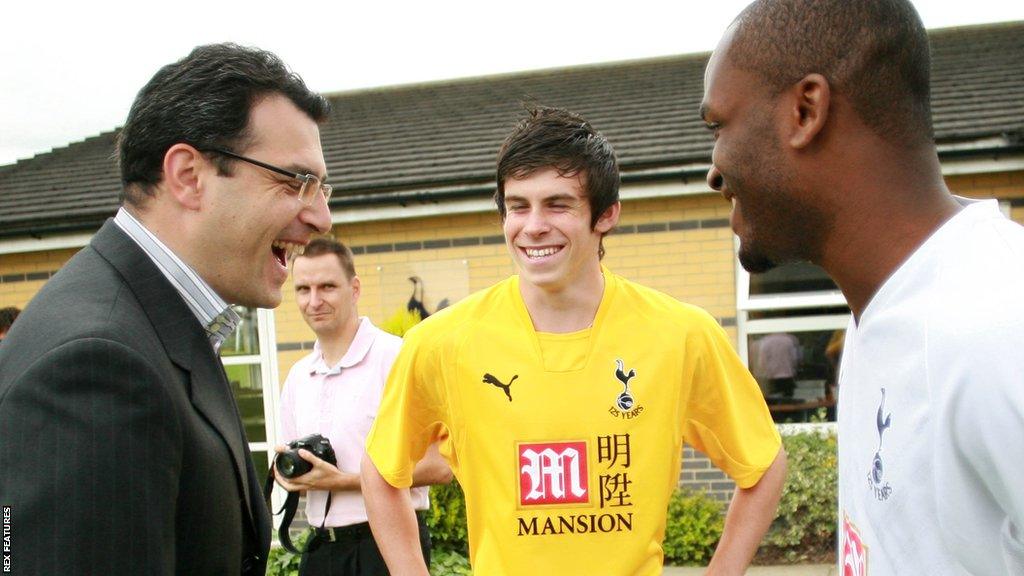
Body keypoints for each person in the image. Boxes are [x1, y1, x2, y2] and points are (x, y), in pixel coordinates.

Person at [361, 107, 786, 575]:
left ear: (606, 215)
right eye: (518, 206)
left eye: (557, 204)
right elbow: (381, 470)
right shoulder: (442, 343)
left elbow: (763, 464)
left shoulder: (681, 334)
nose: (533, 225)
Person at [702, 1, 1024, 574]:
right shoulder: (878, 313)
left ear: (805, 110)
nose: (713, 169)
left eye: (718, 126)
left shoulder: (997, 325)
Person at [0, 43, 332, 575]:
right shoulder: (95, 364)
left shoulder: (156, 325)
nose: (320, 217)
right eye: (296, 182)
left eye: (322, 188)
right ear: (188, 176)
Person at [275, 237, 451, 575]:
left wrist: (346, 480)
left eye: (327, 286)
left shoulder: (397, 358)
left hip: (385, 548)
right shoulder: (299, 375)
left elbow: (440, 466)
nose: (314, 301)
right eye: (302, 289)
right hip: (319, 551)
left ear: (354, 289)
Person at [755, 332, 801, 400]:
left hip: (772, 378)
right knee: (788, 402)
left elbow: (762, 363)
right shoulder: (789, 340)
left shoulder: (766, 341)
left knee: (773, 403)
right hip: (788, 378)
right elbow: (795, 359)